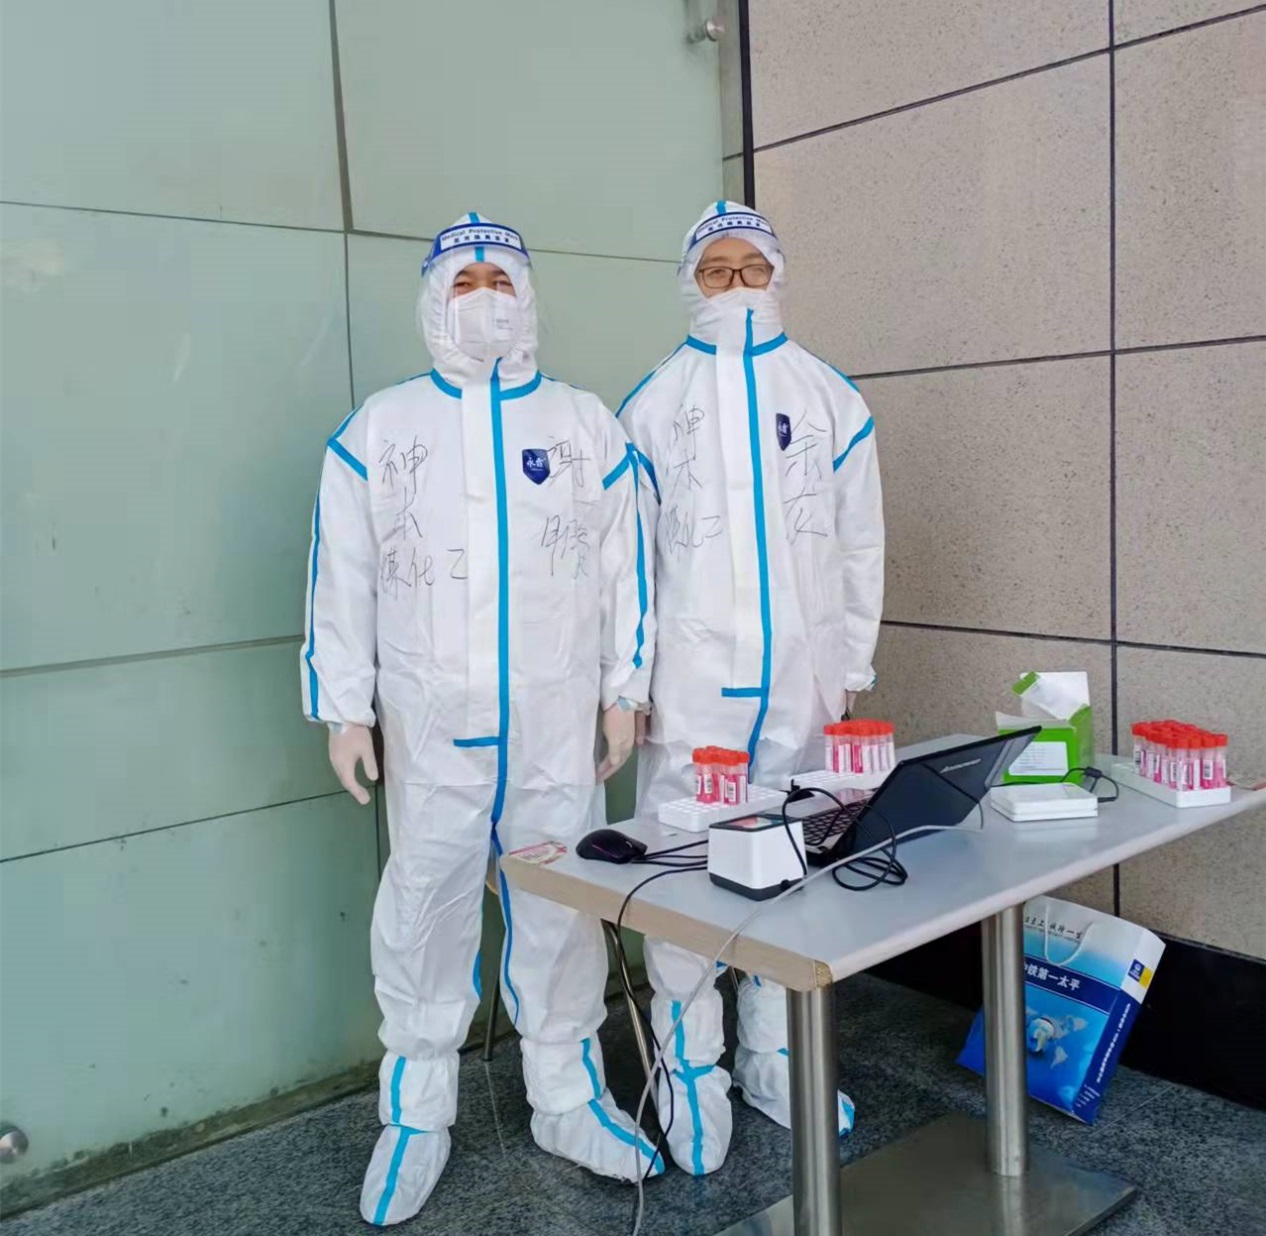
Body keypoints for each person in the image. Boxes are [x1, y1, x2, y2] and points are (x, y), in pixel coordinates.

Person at [302, 213, 661, 1226]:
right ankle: (416, 1113)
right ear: (434, 300)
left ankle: (569, 1098)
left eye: (502, 279)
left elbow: (628, 570)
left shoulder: (584, 426)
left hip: (555, 727)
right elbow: (342, 579)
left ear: (529, 296)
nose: (486, 298)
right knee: (424, 907)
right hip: (432, 729)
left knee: (563, 910)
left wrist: (626, 689)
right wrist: (344, 708)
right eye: (465, 282)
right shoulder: (383, 429)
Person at [618, 201, 884, 1175]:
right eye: (716, 270)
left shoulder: (828, 398)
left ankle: (775, 1054)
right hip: (692, 688)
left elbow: (860, 545)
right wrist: (630, 683)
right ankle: (690, 1068)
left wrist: (848, 668)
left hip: (799, 684)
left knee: (793, 865)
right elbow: (628, 567)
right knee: (685, 863)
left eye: (752, 268)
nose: (736, 286)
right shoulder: (652, 405)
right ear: (688, 283)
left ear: (779, 274)